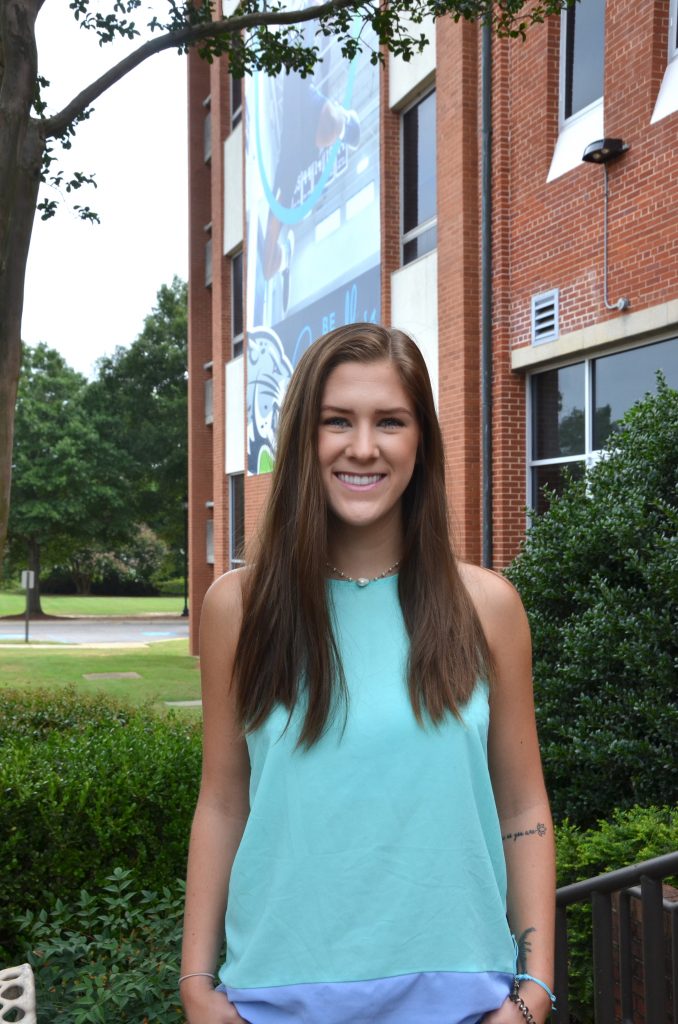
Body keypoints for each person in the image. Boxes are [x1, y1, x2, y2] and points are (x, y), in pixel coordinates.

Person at [180, 323, 556, 1024]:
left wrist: (533, 993)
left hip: (462, 1002)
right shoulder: (239, 606)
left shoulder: (488, 608)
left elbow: (523, 808)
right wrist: (197, 984)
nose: (362, 447)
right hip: (274, 1000)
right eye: (336, 422)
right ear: (303, 440)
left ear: (421, 442)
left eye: (390, 421)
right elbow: (224, 802)